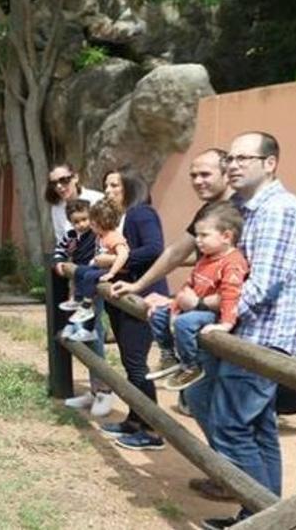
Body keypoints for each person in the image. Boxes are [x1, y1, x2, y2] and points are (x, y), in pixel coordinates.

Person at [202, 132, 296, 530]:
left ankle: (261, 518)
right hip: (249, 335)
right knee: (258, 429)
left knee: (231, 425)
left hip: (262, 338)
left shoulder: (278, 211)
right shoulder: (244, 208)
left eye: (243, 158)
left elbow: (260, 285)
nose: (233, 165)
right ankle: (267, 516)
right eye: (230, 158)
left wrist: (208, 312)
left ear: (270, 163)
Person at [110, 148, 235, 500]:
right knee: (199, 397)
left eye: (205, 174)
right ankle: (225, 475)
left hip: (228, 320)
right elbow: (175, 253)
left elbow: (237, 272)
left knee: (233, 412)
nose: (197, 181)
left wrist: (197, 302)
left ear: (227, 172)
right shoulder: (208, 212)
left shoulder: (239, 212)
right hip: (201, 317)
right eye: (193, 175)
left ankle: (244, 489)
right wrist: (139, 286)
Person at [94, 167, 169, 451]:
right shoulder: (119, 218)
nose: (109, 190)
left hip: (143, 298)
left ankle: (152, 430)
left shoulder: (141, 214)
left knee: (137, 365)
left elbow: (153, 249)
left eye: (116, 185)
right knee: (130, 363)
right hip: (122, 299)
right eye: (106, 185)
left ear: (131, 186)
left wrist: (112, 262)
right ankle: (135, 420)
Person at [148, 203, 248, 391]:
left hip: (211, 313)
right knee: (158, 314)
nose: (198, 241)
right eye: (197, 235)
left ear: (226, 236)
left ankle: (191, 365)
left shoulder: (233, 262)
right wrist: (175, 304)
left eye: (204, 235)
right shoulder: (206, 258)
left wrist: (226, 324)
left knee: (184, 323)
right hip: (192, 306)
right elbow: (190, 284)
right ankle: (169, 357)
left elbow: (230, 295)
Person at [47, 164, 110, 413]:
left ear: (76, 177)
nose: (60, 186)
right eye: (54, 182)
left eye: (64, 179)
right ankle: (94, 390)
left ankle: (104, 391)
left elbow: (109, 236)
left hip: (96, 275)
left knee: (92, 330)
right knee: (78, 331)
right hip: (76, 277)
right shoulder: (57, 208)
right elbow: (63, 242)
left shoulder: (96, 200)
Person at [67, 199, 130, 327]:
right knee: (80, 270)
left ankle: (87, 306)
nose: (90, 226)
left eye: (93, 223)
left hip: (113, 269)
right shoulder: (100, 236)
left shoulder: (112, 236)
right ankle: (78, 299)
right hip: (101, 266)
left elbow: (124, 254)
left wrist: (112, 273)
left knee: (90, 276)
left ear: (101, 223)